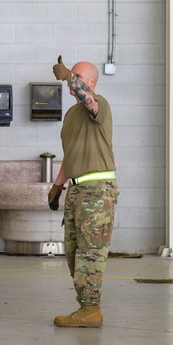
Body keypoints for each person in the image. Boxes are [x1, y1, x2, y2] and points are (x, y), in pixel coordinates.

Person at [47, 56, 119, 328]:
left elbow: (89, 100)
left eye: (78, 76)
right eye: (71, 75)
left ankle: (91, 309)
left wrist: (68, 76)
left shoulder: (99, 105)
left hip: (97, 190)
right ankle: (86, 306)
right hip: (77, 189)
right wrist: (57, 186)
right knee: (73, 251)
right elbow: (71, 154)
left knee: (90, 252)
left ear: (92, 81)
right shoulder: (71, 115)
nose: (72, 80)